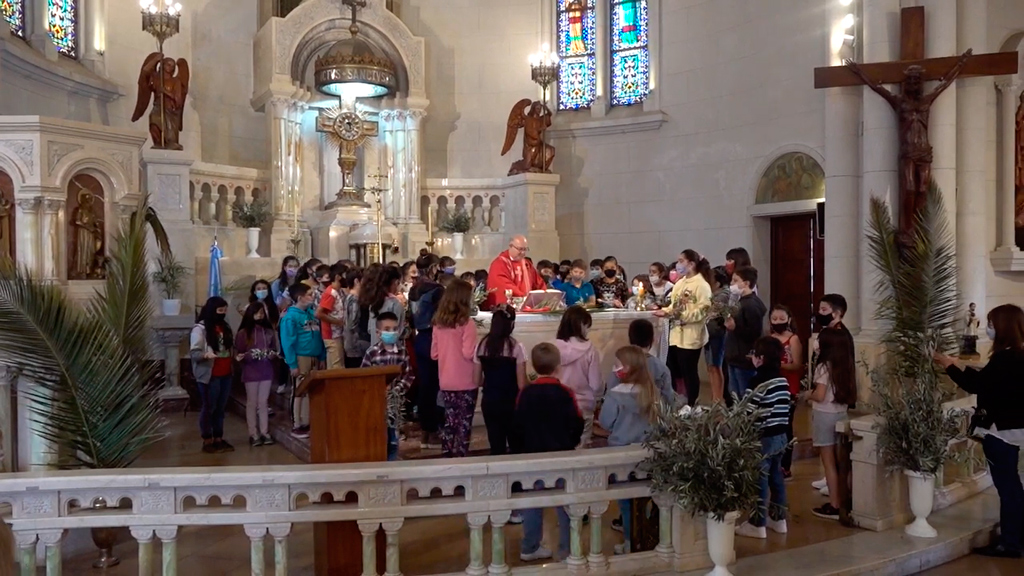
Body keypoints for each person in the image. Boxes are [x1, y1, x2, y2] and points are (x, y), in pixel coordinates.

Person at [934, 304, 1024, 558]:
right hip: (1018, 429)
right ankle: (1017, 536)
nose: (988, 328)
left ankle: (1010, 543)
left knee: (1008, 489)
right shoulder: (1019, 355)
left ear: (1003, 327)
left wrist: (948, 365)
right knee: (1015, 487)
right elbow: (993, 381)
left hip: (1000, 433)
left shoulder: (1003, 358)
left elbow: (977, 385)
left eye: (992, 323)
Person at [515, 343, 585, 562]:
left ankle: (530, 546)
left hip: (532, 454)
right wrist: (570, 443)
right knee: (565, 504)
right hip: (560, 454)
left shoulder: (526, 392)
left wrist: (522, 448)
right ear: (558, 366)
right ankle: (567, 550)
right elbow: (577, 422)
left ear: (534, 366)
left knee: (531, 503)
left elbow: (517, 424)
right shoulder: (566, 393)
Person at [601, 345, 663, 554]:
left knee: (626, 502)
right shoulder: (653, 392)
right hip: (648, 453)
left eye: (617, 365)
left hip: (620, 455)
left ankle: (630, 540)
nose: (614, 368)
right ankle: (647, 537)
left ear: (627, 368)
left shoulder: (615, 395)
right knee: (646, 498)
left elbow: (606, 422)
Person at [735, 337, 791, 539]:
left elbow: (750, 412)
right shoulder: (782, 380)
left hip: (763, 438)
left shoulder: (757, 381)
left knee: (760, 480)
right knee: (776, 477)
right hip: (781, 436)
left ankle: (757, 523)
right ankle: (778, 520)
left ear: (759, 359)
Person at [805, 328, 856, 521]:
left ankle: (835, 504)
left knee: (829, 464)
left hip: (824, 416)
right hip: (840, 414)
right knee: (841, 461)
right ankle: (845, 499)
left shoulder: (823, 367)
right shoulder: (845, 365)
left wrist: (806, 395)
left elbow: (820, 395)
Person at [655, 250, 713, 405]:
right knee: (672, 369)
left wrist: (680, 315)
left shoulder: (702, 285)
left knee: (689, 371)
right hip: (675, 334)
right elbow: (674, 306)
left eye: (681, 261)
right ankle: (676, 399)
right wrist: (664, 311)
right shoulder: (680, 283)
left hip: (691, 335)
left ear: (691, 264)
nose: (678, 264)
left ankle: (692, 403)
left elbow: (703, 310)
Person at [431, 279, 480, 457]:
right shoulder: (467, 324)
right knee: (464, 424)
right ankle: (461, 460)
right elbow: (468, 353)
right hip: (466, 380)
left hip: (446, 380)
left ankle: (447, 457)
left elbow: (434, 354)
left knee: (449, 423)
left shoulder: (438, 323)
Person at [361, 311, 416, 461]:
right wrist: (378, 390)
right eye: (387, 329)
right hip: (376, 404)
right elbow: (363, 379)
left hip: (395, 404)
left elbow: (409, 375)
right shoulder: (371, 353)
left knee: (393, 438)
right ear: (378, 333)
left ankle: (391, 465)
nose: (391, 332)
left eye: (394, 329)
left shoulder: (403, 352)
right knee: (379, 437)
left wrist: (397, 391)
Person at [474, 304, 527, 456]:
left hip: (490, 400)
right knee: (517, 446)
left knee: (496, 446)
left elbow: (476, 380)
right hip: (511, 401)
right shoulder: (516, 347)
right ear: (511, 325)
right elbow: (521, 384)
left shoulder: (482, 346)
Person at [280, 283, 326, 440]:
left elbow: (319, 336)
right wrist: (292, 363)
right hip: (301, 357)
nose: (312, 297)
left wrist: (322, 356)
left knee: (309, 390)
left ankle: (307, 421)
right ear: (300, 298)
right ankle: (297, 424)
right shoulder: (290, 317)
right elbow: (287, 342)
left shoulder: (312, 314)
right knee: (299, 391)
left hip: (314, 356)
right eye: (309, 294)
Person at [190, 297, 235, 454]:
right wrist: (205, 355)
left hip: (226, 372)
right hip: (210, 374)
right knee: (209, 407)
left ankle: (218, 437)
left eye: (224, 310)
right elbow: (195, 353)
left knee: (221, 408)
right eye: (219, 311)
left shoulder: (225, 327)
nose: (222, 314)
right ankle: (207, 439)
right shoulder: (200, 329)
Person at [410, 253, 445, 449]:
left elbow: (410, 316)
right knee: (437, 384)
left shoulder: (413, 289)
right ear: (433, 267)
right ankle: (433, 431)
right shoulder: (437, 289)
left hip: (420, 338)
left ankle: (425, 430)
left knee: (425, 384)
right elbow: (442, 316)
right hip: (434, 337)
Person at [554, 306, 602, 447]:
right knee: (582, 448)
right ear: (581, 325)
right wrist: (599, 397)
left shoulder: (554, 347)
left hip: (559, 403)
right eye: (587, 327)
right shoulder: (590, 349)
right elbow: (595, 384)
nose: (588, 331)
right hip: (583, 405)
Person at [234, 302, 279, 447]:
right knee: (252, 403)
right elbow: (239, 352)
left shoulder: (268, 331)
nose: (260, 315)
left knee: (263, 402)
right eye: (257, 313)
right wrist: (248, 356)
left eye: (262, 313)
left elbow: (274, 348)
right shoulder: (243, 333)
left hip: (266, 370)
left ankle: (265, 432)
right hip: (251, 371)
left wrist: (271, 354)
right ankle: (253, 433)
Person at [769, 305, 804, 478]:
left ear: (789, 319)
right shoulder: (769, 338)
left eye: (781, 319)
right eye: (774, 319)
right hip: (772, 386)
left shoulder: (793, 340)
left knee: (787, 426)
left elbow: (797, 365)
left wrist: (778, 364)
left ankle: (786, 464)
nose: (777, 322)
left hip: (789, 387)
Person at [723, 266, 767, 400]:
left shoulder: (751, 305)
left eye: (735, 280)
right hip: (734, 356)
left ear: (746, 283)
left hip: (744, 358)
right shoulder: (740, 301)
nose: (732, 284)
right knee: (735, 394)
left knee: (745, 396)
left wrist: (735, 327)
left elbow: (754, 333)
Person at [484, 235, 546, 308]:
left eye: (525, 249)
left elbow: (538, 283)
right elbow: (503, 285)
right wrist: (524, 298)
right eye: (520, 249)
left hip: (528, 307)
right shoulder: (500, 264)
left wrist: (545, 296)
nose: (523, 253)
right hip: (508, 309)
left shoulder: (527, 264)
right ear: (510, 246)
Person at [362, 265, 406, 349]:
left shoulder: (374, 302)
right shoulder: (395, 304)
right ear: (395, 282)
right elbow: (399, 331)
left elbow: (370, 329)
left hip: (374, 349)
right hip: (391, 351)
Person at [704, 266, 731, 403]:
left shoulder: (723, 294)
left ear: (718, 283)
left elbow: (711, 312)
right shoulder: (711, 294)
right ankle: (714, 397)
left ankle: (718, 399)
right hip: (708, 333)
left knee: (716, 366)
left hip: (717, 334)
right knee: (710, 367)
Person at [316, 268, 347, 369]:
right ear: (338, 277)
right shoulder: (330, 293)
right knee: (336, 365)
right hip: (332, 334)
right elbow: (319, 313)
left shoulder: (336, 292)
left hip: (337, 333)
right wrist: (337, 322)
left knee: (337, 363)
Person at [343, 268, 371, 369]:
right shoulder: (354, 299)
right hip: (356, 343)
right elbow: (352, 324)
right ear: (356, 281)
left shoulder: (349, 297)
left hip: (353, 343)